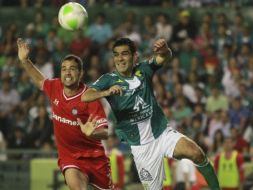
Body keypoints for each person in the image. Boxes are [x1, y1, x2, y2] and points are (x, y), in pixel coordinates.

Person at [81, 37, 220, 190]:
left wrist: (165, 49)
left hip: (161, 132)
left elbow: (164, 57)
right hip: (142, 147)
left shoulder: (144, 69)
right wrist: (106, 92)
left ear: (135, 56)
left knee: (196, 153)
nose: (119, 58)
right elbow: (85, 96)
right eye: (116, 54)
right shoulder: (108, 79)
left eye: (124, 54)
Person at [17, 38, 113, 190]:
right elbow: (40, 81)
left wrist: (93, 132)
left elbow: (105, 132)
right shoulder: (55, 87)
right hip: (70, 157)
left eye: (72, 68)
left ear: (81, 73)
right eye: (64, 68)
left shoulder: (90, 98)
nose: (67, 72)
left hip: (96, 158)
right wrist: (25, 60)